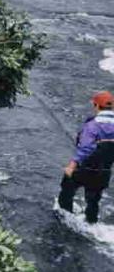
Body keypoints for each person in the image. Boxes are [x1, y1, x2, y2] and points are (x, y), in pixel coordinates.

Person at [58, 90, 114, 224]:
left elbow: (86, 148)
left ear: (96, 106)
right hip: (105, 172)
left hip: (85, 169)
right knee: (93, 201)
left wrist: (71, 166)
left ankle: (65, 217)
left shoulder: (92, 125)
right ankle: (91, 223)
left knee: (67, 186)